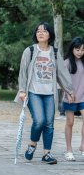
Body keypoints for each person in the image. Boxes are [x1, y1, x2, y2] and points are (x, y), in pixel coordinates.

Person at [15, 22, 75, 164]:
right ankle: (32, 144)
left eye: (44, 31)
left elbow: (62, 73)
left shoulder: (54, 52)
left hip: (50, 93)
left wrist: (70, 90)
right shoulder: (29, 51)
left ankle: (46, 154)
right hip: (33, 92)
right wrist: (22, 90)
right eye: (38, 31)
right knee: (40, 120)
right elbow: (22, 72)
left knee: (49, 123)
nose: (40, 33)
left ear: (50, 34)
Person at [62, 37, 84, 161]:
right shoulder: (66, 63)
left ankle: (83, 146)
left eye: (82, 50)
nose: (80, 52)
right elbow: (62, 81)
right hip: (70, 97)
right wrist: (68, 93)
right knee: (70, 123)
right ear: (72, 49)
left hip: (83, 97)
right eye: (77, 49)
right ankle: (69, 150)